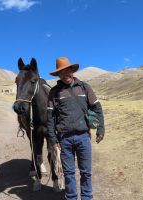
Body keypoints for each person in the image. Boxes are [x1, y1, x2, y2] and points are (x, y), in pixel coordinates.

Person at [47, 57, 105, 200]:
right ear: (58, 75)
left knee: (86, 172)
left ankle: (86, 197)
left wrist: (101, 129)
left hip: (83, 137)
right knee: (69, 173)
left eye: (67, 71)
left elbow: (97, 108)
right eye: (61, 72)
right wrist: (53, 141)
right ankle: (71, 197)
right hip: (64, 140)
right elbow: (50, 118)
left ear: (72, 71)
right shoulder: (54, 92)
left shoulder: (84, 87)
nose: (65, 74)